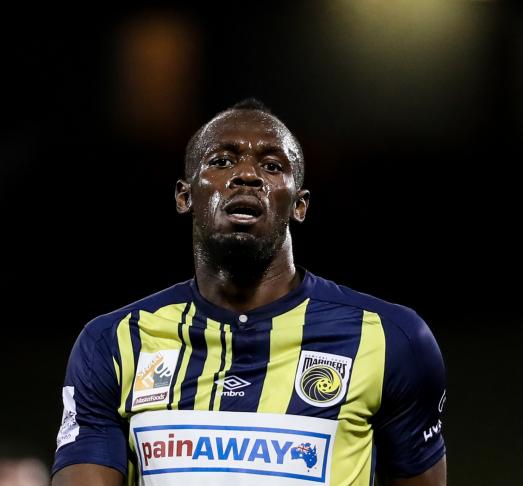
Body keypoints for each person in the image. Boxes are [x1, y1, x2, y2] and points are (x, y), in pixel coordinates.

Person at [51, 99, 447, 486]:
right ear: (184, 195)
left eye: (272, 166)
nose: (247, 175)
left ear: (300, 205)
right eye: (222, 161)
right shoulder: (116, 343)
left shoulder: (389, 339)